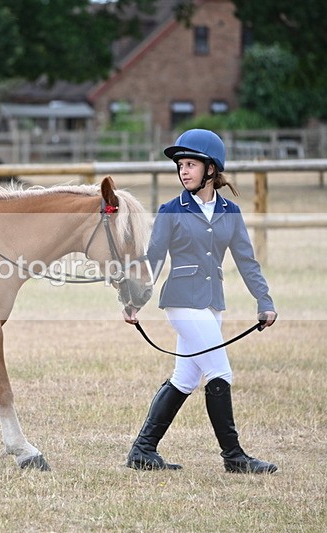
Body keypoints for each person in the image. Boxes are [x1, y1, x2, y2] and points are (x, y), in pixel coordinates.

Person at [122, 129, 278, 474]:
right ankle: (234, 456)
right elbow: (154, 259)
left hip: (212, 303)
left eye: (190, 164)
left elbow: (246, 260)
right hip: (182, 302)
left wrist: (264, 301)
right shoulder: (170, 210)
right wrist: (135, 300)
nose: (183, 171)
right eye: (180, 165)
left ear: (211, 169)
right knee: (219, 371)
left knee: (185, 378)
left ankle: (142, 451)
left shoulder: (230, 212)